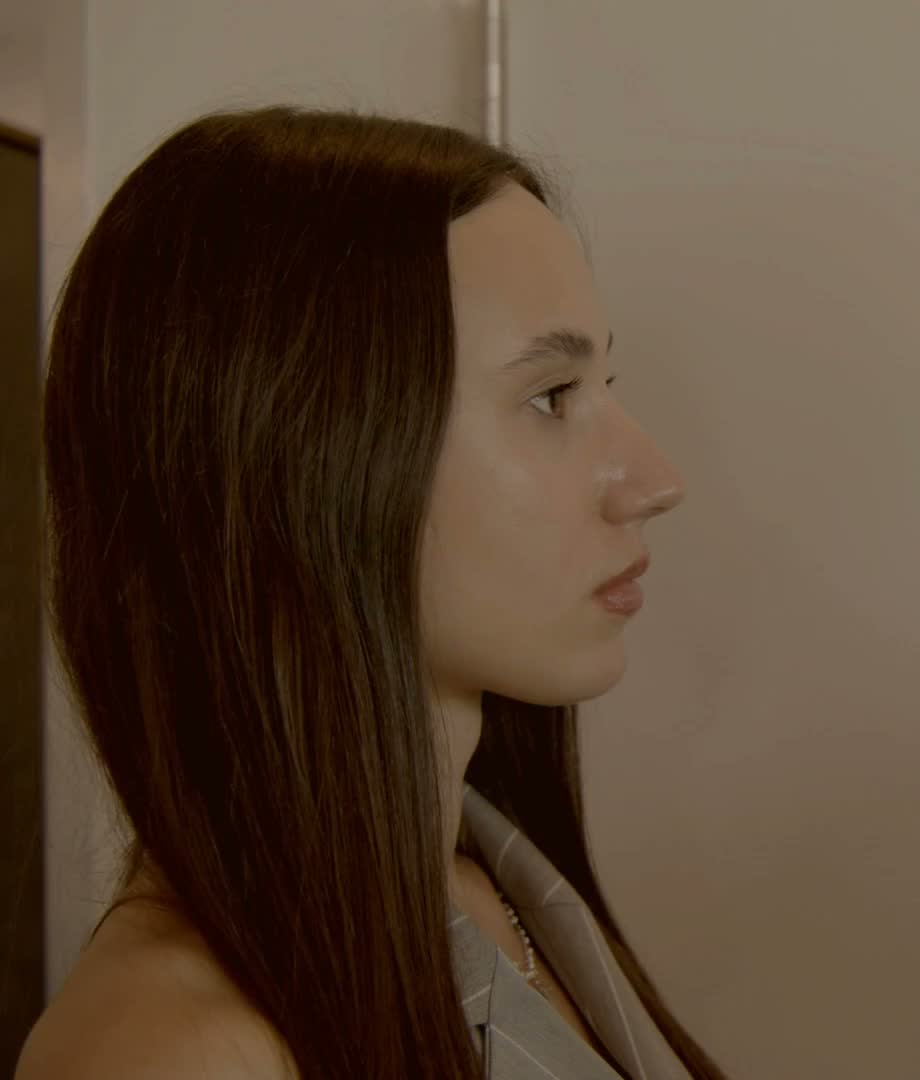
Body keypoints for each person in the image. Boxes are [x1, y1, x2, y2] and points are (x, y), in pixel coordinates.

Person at [18, 107, 726, 1079]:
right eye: (551, 396)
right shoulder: (180, 1051)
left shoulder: (499, 888)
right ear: (300, 459)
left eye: (606, 382)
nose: (653, 480)